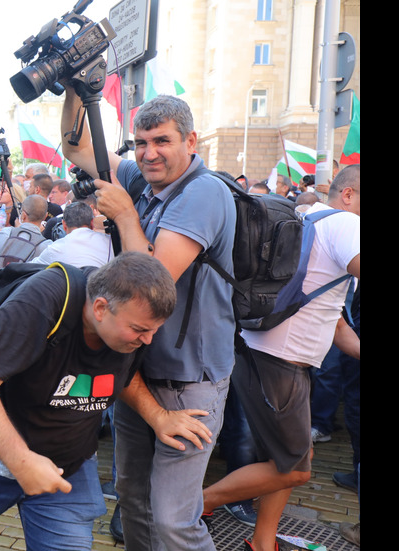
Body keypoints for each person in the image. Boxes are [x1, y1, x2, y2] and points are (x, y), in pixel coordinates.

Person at [0, 252, 184, 550]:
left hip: (67, 467)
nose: (148, 341)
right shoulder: (42, 301)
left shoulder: (129, 327)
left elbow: (122, 376)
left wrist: (158, 416)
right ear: (101, 308)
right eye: (140, 330)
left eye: (154, 330)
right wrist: (23, 463)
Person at [62, 91, 236, 550]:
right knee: (133, 501)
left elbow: (152, 280)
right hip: (136, 369)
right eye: (140, 142)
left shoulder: (204, 192)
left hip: (188, 381)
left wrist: (123, 215)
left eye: (162, 141)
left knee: (175, 519)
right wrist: (74, 89)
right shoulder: (146, 179)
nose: (149, 153)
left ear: (191, 141)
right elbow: (76, 148)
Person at [202, 165, 360, 551]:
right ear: (350, 194)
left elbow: (331, 319)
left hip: (272, 355)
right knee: (297, 470)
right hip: (278, 360)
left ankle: (263, 540)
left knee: (287, 459)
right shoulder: (346, 225)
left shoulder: (311, 220)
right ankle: (194, 505)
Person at [31, 201, 114, 268]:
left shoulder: (55, 248)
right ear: (92, 223)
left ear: (64, 225)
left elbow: (31, 266)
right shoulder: (110, 242)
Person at [0, 194, 52, 270]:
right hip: (24, 281)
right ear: (45, 216)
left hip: (0, 279)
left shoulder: (6, 233)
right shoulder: (46, 245)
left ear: (23, 215)